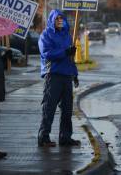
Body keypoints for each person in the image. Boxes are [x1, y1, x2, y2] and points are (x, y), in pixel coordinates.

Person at [38, 9, 80, 147]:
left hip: (66, 75)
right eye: (57, 19)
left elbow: (70, 58)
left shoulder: (67, 36)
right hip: (53, 75)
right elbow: (46, 53)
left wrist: (74, 74)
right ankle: (43, 137)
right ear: (52, 20)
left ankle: (65, 137)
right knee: (49, 108)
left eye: (61, 18)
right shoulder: (46, 35)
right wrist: (64, 52)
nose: (60, 21)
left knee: (67, 109)